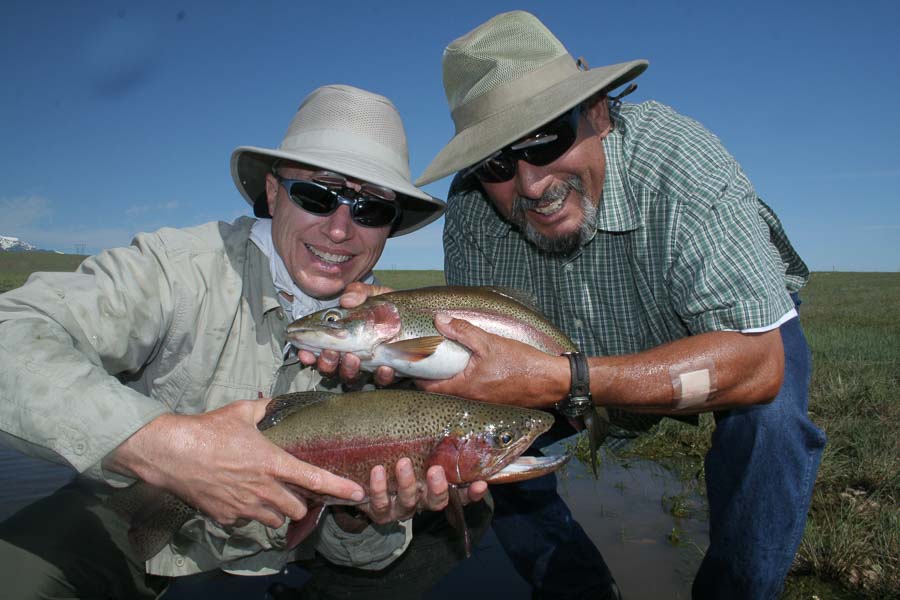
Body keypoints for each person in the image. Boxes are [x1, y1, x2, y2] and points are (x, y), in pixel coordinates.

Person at [0, 84, 487, 599]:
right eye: (317, 196)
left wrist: (357, 516)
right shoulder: (175, 270)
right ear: (274, 194)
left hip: (294, 558)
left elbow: (363, 558)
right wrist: (169, 447)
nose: (341, 230)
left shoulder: (402, 338)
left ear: (389, 227)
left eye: (371, 210)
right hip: (135, 523)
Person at [406, 11, 825, 600]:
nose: (530, 185)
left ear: (598, 113)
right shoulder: (474, 212)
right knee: (481, 430)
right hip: (560, 354)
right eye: (497, 164)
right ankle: (574, 587)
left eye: (545, 139)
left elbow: (757, 363)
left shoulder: (679, 162)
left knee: (771, 421)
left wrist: (565, 377)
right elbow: (478, 365)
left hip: (719, 336)